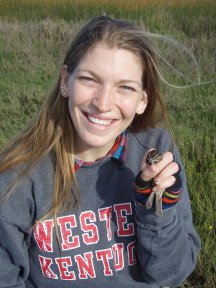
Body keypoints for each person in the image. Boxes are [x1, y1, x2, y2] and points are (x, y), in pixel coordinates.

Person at [0, 15, 200, 288]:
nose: (103, 104)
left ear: (142, 100)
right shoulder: (20, 176)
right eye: (90, 80)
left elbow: (171, 274)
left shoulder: (157, 151)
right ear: (65, 81)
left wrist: (155, 210)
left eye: (125, 87)